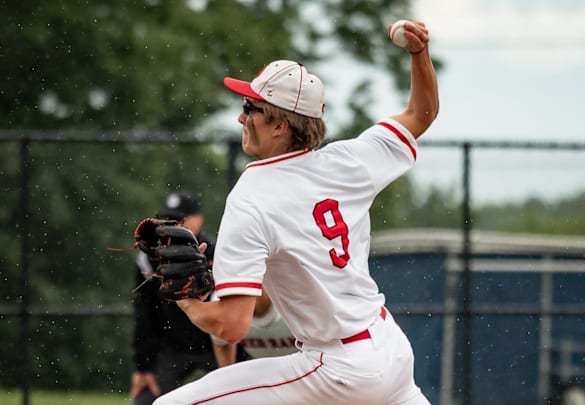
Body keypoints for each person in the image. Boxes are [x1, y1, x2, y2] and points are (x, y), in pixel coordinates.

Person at [157, 20, 438, 404]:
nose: (241, 117)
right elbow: (422, 114)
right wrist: (419, 55)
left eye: (250, 108)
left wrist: (187, 301)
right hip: (389, 350)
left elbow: (232, 327)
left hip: (337, 366)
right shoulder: (349, 161)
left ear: (280, 125)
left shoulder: (252, 197)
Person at [130, 192, 250, 404]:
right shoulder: (151, 258)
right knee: (146, 398)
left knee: (245, 397)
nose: (177, 224)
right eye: (172, 219)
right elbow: (144, 314)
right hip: (174, 346)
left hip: (215, 344)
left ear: (199, 219)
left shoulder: (217, 252)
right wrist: (143, 366)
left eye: (183, 218)